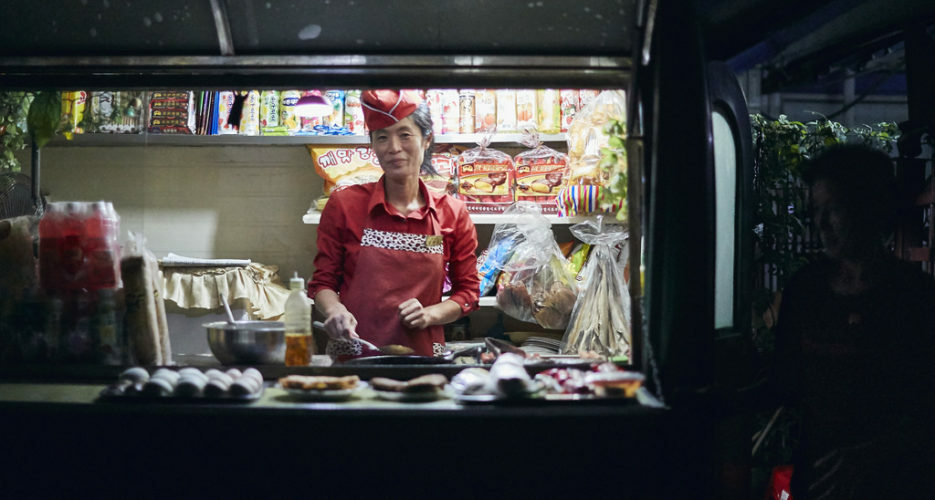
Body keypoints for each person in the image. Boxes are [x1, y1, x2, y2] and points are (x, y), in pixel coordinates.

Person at [772, 144, 935, 499]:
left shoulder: (916, 298)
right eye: (816, 210)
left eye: (834, 209)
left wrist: (871, 455)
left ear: (870, 208)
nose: (821, 223)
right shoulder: (805, 290)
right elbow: (784, 380)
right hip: (818, 481)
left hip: (896, 484)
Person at [309, 89, 480, 357]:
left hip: (425, 357)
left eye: (404, 135)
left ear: (426, 139)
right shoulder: (344, 205)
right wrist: (335, 310)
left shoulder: (453, 213)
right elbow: (322, 283)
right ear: (373, 145)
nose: (394, 148)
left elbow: (468, 293)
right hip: (357, 353)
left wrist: (431, 314)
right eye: (382, 137)